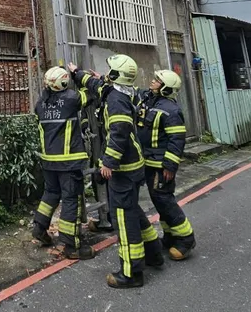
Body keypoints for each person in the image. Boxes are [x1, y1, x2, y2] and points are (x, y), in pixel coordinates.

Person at [72, 55, 163, 289]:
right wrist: (77, 73)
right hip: (134, 165)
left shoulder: (117, 101)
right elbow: (97, 84)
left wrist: (109, 162)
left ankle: (132, 273)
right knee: (134, 210)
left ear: (115, 76)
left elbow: (119, 132)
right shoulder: (121, 91)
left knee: (124, 219)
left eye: (109, 71)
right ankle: (154, 253)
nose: (105, 74)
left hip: (123, 169)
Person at [32, 65, 97, 260]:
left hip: (48, 160)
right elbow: (90, 95)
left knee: (50, 194)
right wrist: (82, 75)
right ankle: (71, 245)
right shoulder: (71, 99)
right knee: (71, 199)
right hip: (68, 161)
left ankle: (39, 229)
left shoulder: (40, 103)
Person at [136, 69, 196, 261]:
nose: (152, 82)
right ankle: (170, 236)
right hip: (149, 162)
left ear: (165, 88)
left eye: (157, 81)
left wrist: (170, 165)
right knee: (158, 199)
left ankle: (186, 239)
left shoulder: (170, 110)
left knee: (163, 199)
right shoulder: (150, 100)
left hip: (161, 165)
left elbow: (176, 139)